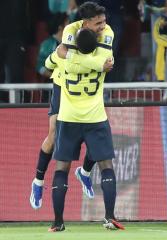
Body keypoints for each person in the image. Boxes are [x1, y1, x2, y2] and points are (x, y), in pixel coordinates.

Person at [48, 2, 123, 232]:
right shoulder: (92, 45)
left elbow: (55, 57)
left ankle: (58, 223)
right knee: (106, 165)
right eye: (98, 23)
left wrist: (66, 57)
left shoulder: (70, 45)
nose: (104, 26)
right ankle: (108, 217)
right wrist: (98, 64)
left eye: (103, 21)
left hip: (69, 116)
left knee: (62, 168)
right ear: (86, 23)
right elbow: (104, 63)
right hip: (94, 116)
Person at [29, 15, 97, 210]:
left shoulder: (92, 39)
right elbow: (47, 65)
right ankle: (38, 181)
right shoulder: (60, 46)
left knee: (97, 131)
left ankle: (84, 172)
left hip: (84, 90)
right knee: (53, 133)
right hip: (61, 88)